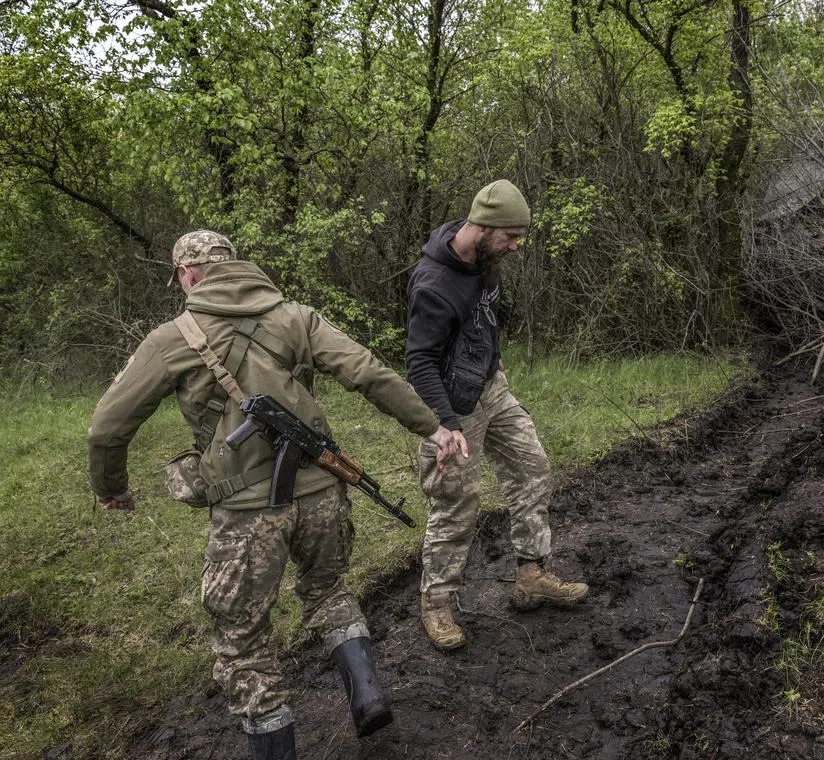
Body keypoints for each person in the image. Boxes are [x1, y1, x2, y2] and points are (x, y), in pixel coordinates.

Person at [88, 230, 460, 760]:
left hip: (245, 514)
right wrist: (432, 427)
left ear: (189, 274)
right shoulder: (295, 316)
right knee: (329, 590)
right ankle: (368, 697)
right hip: (323, 493)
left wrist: (112, 489)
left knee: (242, 640)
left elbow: (106, 429)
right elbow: (368, 372)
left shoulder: (171, 337)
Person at [406, 179, 589, 652]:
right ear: (483, 227)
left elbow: (486, 316)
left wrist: (494, 358)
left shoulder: (485, 260)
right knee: (455, 507)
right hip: (449, 409)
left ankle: (532, 577)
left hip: (492, 389)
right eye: (510, 236)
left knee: (534, 470)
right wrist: (446, 423)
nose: (515, 245)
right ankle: (437, 605)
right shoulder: (433, 284)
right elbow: (419, 363)